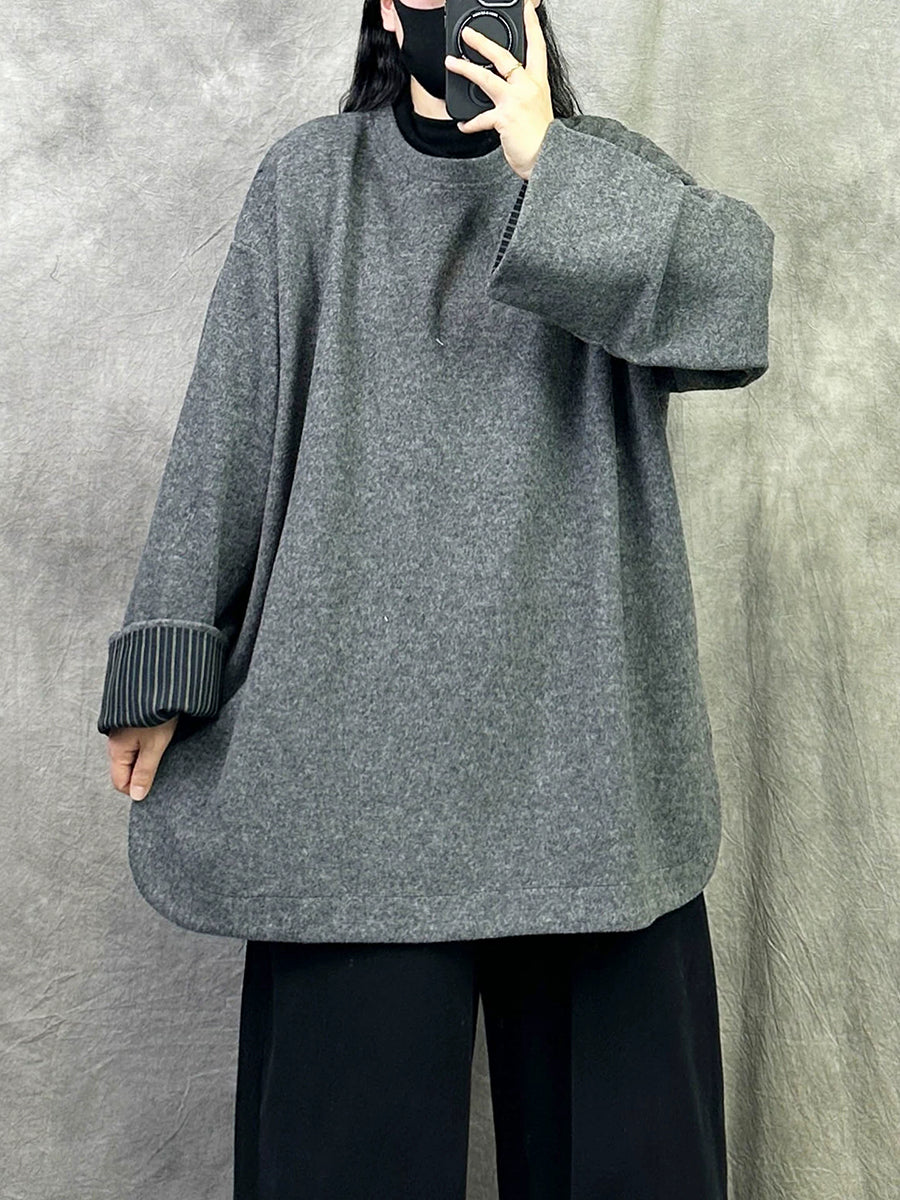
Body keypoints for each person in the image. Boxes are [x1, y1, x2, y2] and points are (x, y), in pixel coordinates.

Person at [99, 1, 775, 1196]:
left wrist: (548, 162)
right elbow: (229, 429)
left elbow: (736, 301)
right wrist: (168, 656)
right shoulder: (312, 186)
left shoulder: (602, 168)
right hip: (354, 776)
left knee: (629, 1167)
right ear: (382, 7)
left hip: (585, 777)